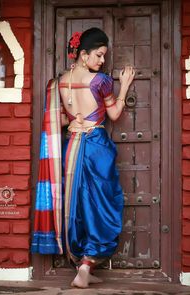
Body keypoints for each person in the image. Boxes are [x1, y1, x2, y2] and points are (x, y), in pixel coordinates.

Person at [32, 27, 135, 289]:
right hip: (96, 146)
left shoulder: (58, 83)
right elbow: (113, 115)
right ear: (83, 54)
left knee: (77, 203)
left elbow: (64, 119)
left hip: (72, 147)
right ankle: (87, 264)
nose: (102, 61)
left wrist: (75, 119)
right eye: (99, 55)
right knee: (101, 204)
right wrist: (123, 87)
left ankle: (82, 269)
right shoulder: (100, 81)